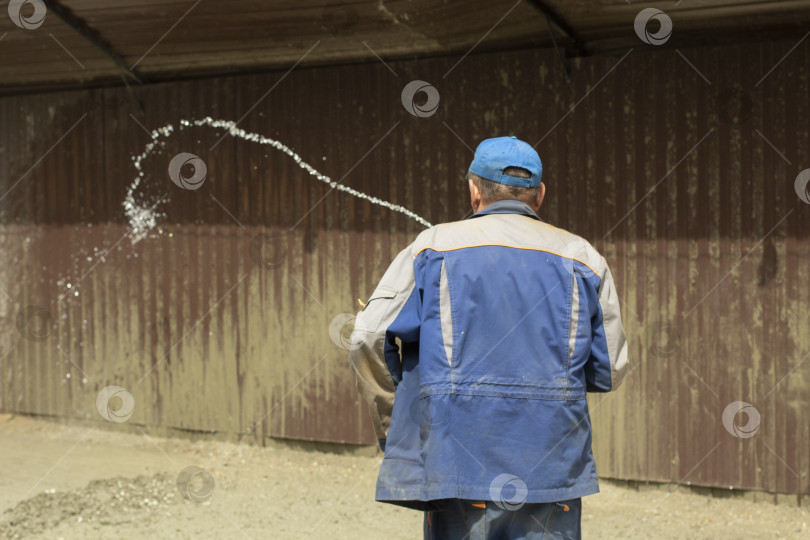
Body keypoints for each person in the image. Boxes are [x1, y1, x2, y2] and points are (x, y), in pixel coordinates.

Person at [349, 136, 628, 539]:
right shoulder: (583, 257)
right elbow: (612, 370)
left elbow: (366, 336)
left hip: (456, 461)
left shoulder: (431, 247)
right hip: (552, 464)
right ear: (540, 195)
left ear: (474, 189)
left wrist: (394, 423)